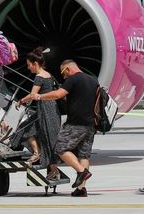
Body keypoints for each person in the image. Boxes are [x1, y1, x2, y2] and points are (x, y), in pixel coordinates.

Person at [22, 59, 98, 197]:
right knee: (83, 154)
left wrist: (39, 96)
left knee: (60, 148)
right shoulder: (93, 80)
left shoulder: (73, 79)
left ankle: (82, 172)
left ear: (68, 69)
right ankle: (81, 189)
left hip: (76, 123)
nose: (64, 77)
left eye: (64, 73)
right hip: (91, 124)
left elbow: (58, 94)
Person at [16, 48, 61, 181]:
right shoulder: (49, 75)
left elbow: (33, 95)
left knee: (27, 130)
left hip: (45, 110)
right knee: (46, 137)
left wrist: (21, 101)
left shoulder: (39, 77)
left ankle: (38, 154)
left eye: (29, 64)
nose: (28, 67)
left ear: (35, 63)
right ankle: (50, 166)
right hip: (52, 110)